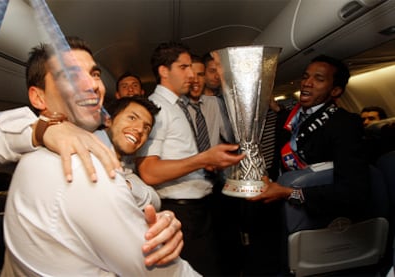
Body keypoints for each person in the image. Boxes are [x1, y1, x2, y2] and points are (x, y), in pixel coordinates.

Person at [0, 37, 194, 275]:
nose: (92, 84)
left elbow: (145, 195)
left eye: (94, 74)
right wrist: (43, 129)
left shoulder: (112, 159)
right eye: (71, 75)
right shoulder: (80, 166)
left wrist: (157, 215)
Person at [250, 55, 370, 272]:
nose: (307, 82)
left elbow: (353, 192)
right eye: (306, 77)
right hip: (278, 213)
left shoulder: (344, 125)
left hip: (315, 221)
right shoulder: (291, 117)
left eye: (319, 79)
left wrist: (288, 193)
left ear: (335, 91)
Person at [135, 41, 245, 276]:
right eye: (183, 67)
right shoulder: (157, 108)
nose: (191, 74)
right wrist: (203, 159)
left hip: (200, 207)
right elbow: (149, 171)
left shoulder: (179, 106)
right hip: (181, 212)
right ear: (164, 71)